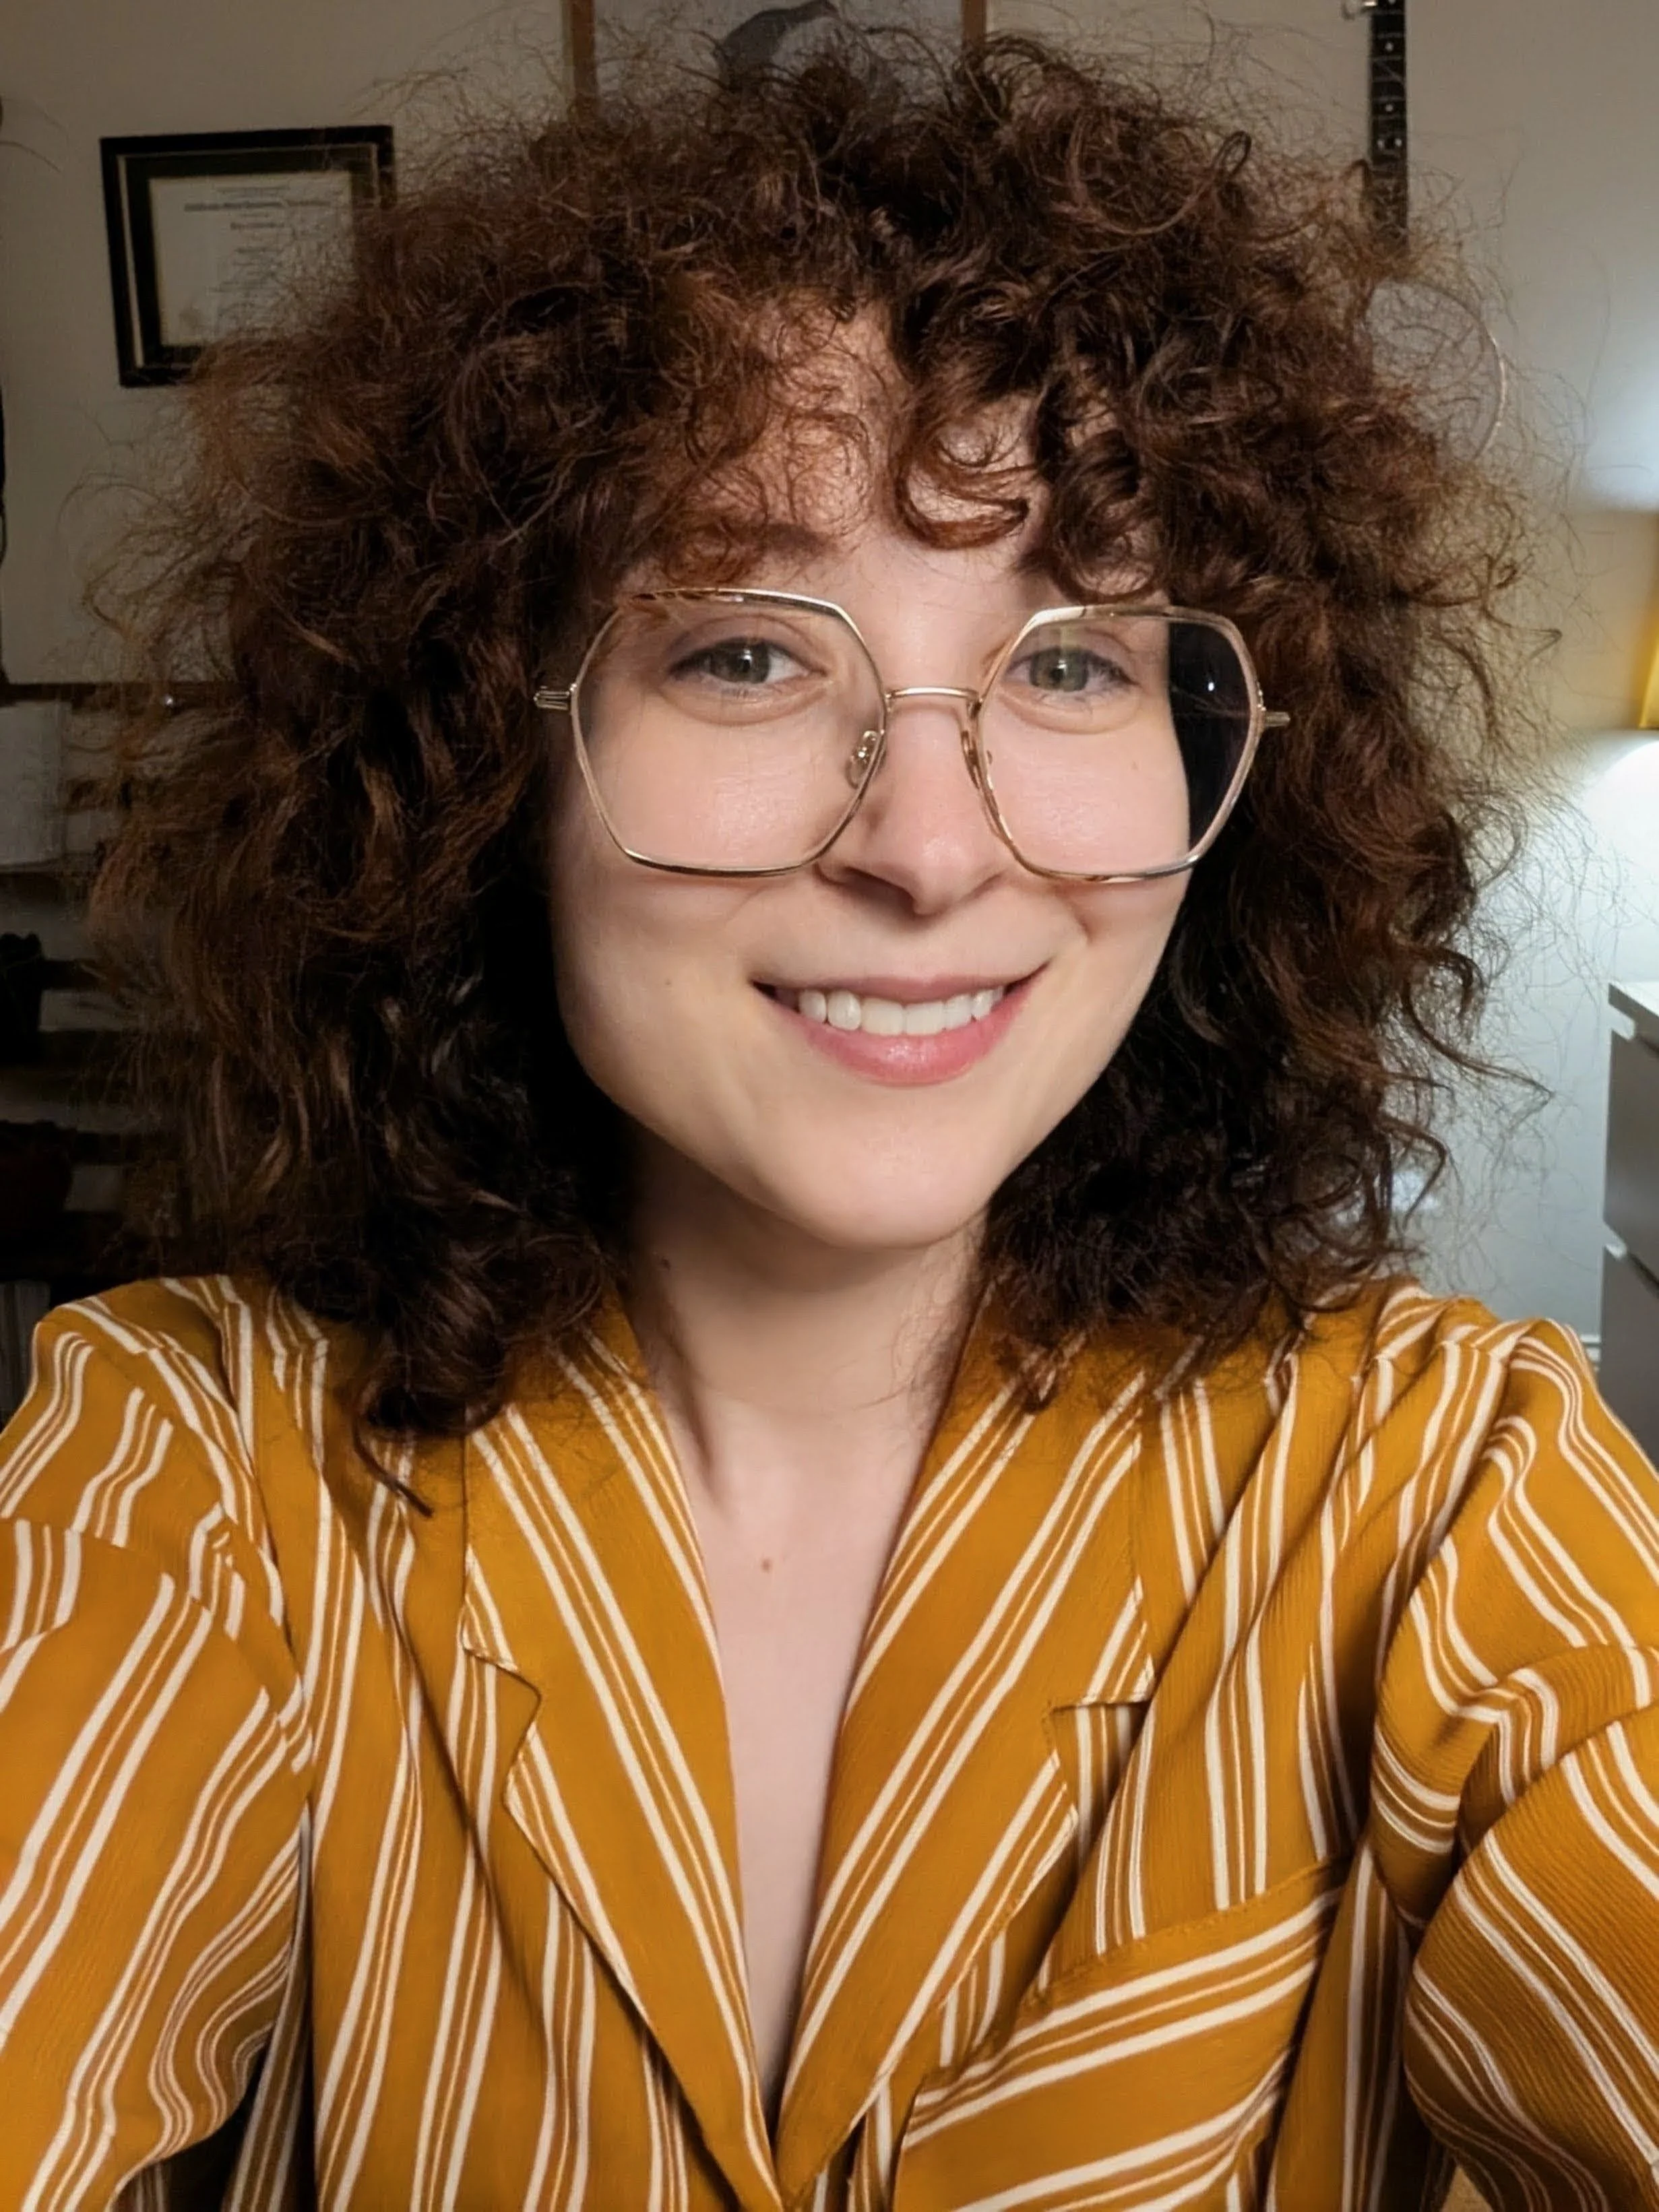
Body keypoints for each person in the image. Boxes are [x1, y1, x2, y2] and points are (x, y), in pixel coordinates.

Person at [2, 29, 1656, 2211]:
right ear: (487, 760)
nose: (930, 849)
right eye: (745, 655)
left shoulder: (1453, 1492)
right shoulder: (183, 1465)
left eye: (1071, 660)